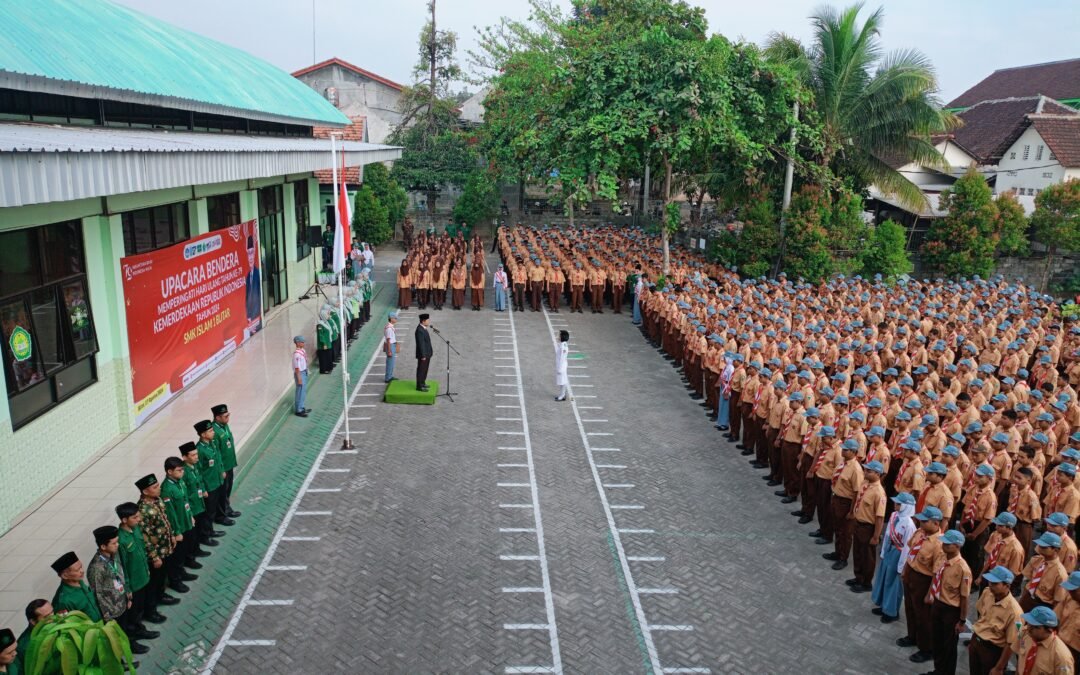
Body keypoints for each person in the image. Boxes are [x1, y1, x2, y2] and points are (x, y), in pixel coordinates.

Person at [86, 526, 148, 655]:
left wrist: (127, 595)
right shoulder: (96, 568)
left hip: (122, 602)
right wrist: (107, 616)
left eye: (117, 541)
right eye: (114, 543)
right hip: (112, 610)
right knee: (117, 636)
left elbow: (120, 575)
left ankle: (131, 646)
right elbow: (99, 595)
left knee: (126, 629)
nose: (117, 545)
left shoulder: (114, 555)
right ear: (103, 546)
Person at [927, 528, 971, 674]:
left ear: (957, 546)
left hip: (950, 611)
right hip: (938, 604)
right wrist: (930, 594)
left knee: (949, 647)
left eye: (947, 544)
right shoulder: (942, 558)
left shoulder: (963, 569)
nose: (943, 546)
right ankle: (938, 669)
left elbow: (964, 598)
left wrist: (962, 620)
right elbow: (936, 577)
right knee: (937, 641)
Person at [116, 502, 164, 632]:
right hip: (134, 583)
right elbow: (123, 567)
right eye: (135, 517)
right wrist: (128, 588)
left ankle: (145, 619)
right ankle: (137, 630)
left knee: (143, 603)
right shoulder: (121, 540)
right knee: (135, 610)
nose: (139, 520)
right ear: (124, 520)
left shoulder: (135, 529)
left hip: (144, 575)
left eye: (138, 516)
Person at [967, 565, 1022, 675]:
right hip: (976, 642)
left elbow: (1010, 643)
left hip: (992, 651)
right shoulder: (987, 593)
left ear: (1007, 586)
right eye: (990, 582)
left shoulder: (1014, 612)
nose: (990, 585)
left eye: (995, 583)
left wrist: (999, 667)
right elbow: (981, 614)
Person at [992, 605, 1074, 674]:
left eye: (1035, 627)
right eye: (1029, 623)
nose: (1029, 628)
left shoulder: (1062, 657)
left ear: (1049, 630)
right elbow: (1020, 659)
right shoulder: (1024, 632)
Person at [49, 552, 102, 622]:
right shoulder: (63, 601)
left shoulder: (79, 581)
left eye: (81, 567)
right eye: (77, 570)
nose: (82, 571)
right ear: (65, 576)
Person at [211, 404, 241, 521]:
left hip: (229, 464)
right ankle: (221, 515)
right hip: (222, 467)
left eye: (228, 415)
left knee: (227, 489)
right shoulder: (214, 431)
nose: (228, 418)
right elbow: (216, 452)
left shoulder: (224, 426)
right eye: (225, 416)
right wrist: (221, 469)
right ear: (217, 417)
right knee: (222, 492)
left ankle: (227, 509)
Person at [14, 599, 51, 672]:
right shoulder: (25, 647)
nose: (53, 617)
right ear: (33, 621)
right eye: (47, 617)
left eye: (52, 612)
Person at [244, 235, 261, 323]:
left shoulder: (258, 274)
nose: (250, 257)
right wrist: (248, 316)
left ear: (254, 254)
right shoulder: (247, 277)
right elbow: (247, 299)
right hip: (250, 318)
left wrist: (253, 317)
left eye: (252, 253)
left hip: (256, 317)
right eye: (248, 253)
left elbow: (258, 298)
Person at [415, 314, 433, 392]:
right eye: (427, 320)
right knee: (421, 370)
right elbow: (421, 344)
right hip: (423, 355)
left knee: (425, 369)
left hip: (427, 353)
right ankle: (419, 386)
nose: (428, 321)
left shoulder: (424, 328)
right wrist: (423, 355)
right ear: (423, 321)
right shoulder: (420, 330)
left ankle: (423, 382)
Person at [293, 335, 310, 417]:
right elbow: (297, 368)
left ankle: (302, 407)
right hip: (300, 373)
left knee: (303, 392)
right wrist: (299, 379)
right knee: (300, 392)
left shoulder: (302, 351)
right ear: (298, 343)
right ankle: (298, 410)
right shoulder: (296, 355)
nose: (303, 343)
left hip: (304, 372)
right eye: (302, 342)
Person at [555, 329, 570, 402]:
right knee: (562, 381)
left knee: (562, 381)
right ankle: (562, 394)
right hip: (562, 365)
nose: (558, 336)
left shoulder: (563, 346)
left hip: (562, 366)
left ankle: (562, 396)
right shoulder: (562, 344)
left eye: (559, 335)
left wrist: (559, 369)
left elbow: (562, 358)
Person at [384, 313, 398, 383]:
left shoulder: (390, 326)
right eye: (395, 318)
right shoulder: (389, 328)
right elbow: (388, 340)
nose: (396, 319)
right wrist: (389, 350)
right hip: (390, 345)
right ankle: (388, 378)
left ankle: (390, 376)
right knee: (390, 362)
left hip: (392, 345)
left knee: (391, 362)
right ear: (391, 318)